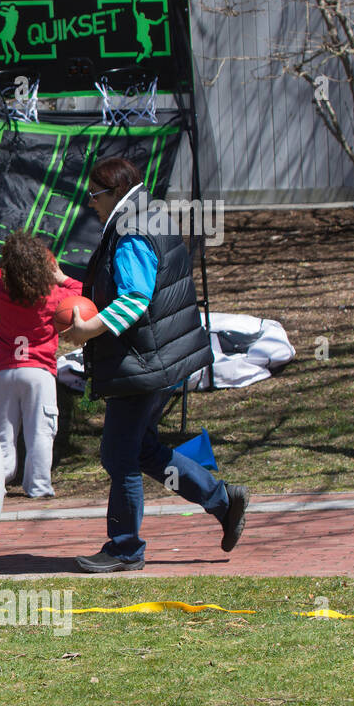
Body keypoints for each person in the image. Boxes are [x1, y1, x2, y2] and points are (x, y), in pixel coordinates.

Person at [62, 156, 249, 572]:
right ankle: (222, 500)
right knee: (143, 450)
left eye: (95, 195)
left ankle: (125, 548)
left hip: (144, 363)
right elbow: (128, 285)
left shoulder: (130, 231)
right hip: (161, 359)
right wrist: (71, 285)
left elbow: (133, 299)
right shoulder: (151, 215)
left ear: (114, 193)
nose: (91, 204)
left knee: (118, 456)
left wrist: (86, 330)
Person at [0, 232, 82, 498]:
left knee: (2, 436)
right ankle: (39, 486)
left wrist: (10, 267)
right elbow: (81, 291)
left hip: (5, 371)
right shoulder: (55, 294)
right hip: (39, 372)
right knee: (41, 434)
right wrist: (60, 275)